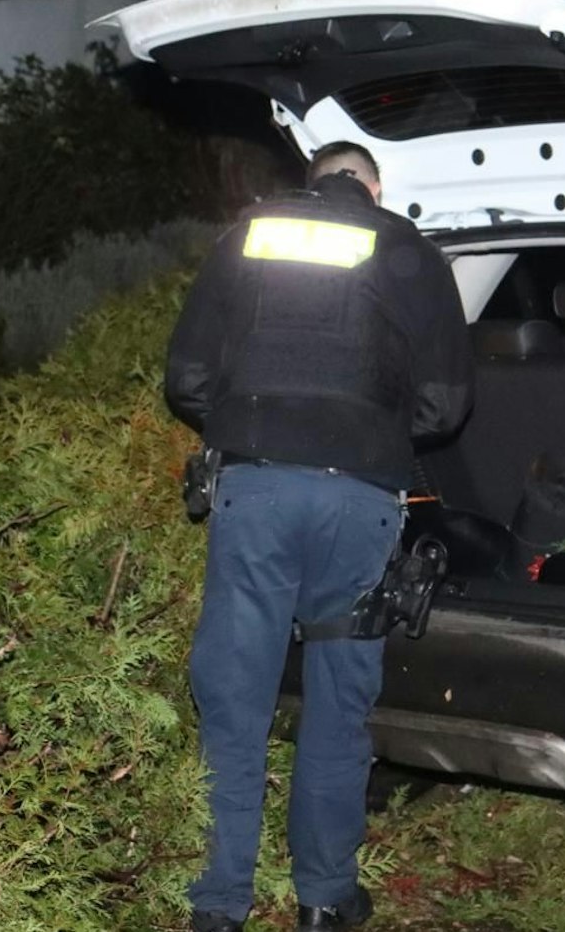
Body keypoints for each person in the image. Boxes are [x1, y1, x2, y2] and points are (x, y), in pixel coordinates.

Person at [167, 141, 474, 932]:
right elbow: (445, 404)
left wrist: (258, 422)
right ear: (374, 187)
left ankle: (218, 908)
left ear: (314, 182)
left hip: (258, 489)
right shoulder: (408, 249)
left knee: (236, 700)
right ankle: (326, 899)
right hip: (360, 501)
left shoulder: (250, 235)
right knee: (340, 701)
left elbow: (188, 379)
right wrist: (365, 431)